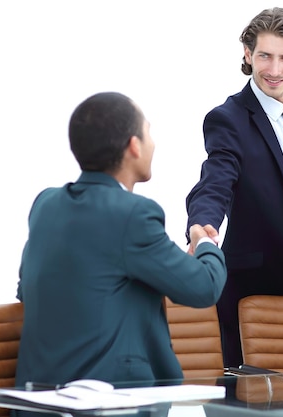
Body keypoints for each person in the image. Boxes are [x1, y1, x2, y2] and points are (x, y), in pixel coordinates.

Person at [15, 92, 227, 387]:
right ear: (134, 146)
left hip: (36, 396)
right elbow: (204, 287)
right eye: (148, 131)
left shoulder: (47, 205)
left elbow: (31, 287)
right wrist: (204, 242)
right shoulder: (134, 214)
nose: (153, 142)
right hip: (110, 398)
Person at [185, 7, 283, 367]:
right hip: (253, 283)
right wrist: (203, 224)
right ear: (248, 55)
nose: (274, 70)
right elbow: (216, 177)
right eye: (264, 56)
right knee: (247, 395)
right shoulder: (228, 118)